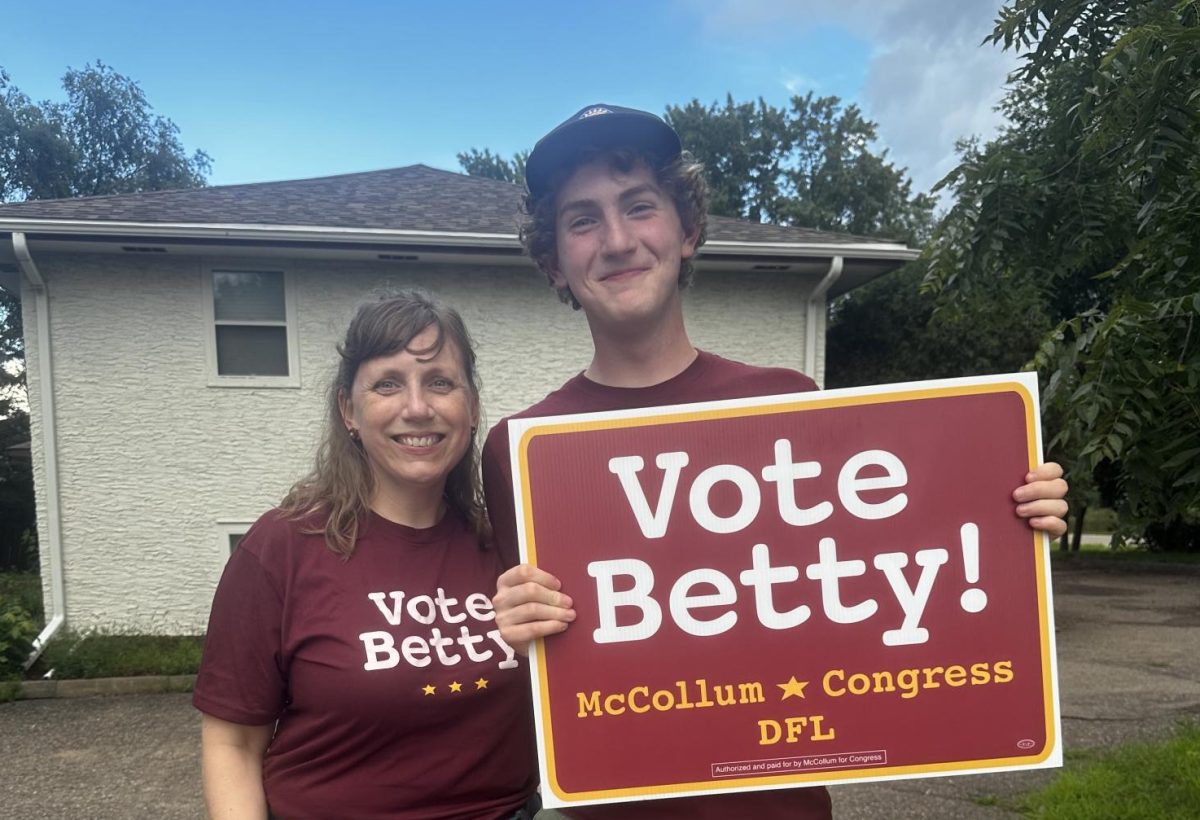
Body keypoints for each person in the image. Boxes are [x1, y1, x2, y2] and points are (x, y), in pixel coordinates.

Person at [483, 104, 1071, 819]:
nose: (616, 240)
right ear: (553, 265)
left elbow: (883, 580)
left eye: (639, 206)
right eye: (582, 220)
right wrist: (515, 634)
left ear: (688, 230)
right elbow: (545, 670)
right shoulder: (523, 447)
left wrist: (1008, 514)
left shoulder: (784, 403)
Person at [193, 292, 538, 820]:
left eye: (440, 382)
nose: (417, 407)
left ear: (470, 408)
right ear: (349, 411)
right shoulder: (282, 548)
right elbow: (233, 746)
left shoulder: (513, 546)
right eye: (388, 384)